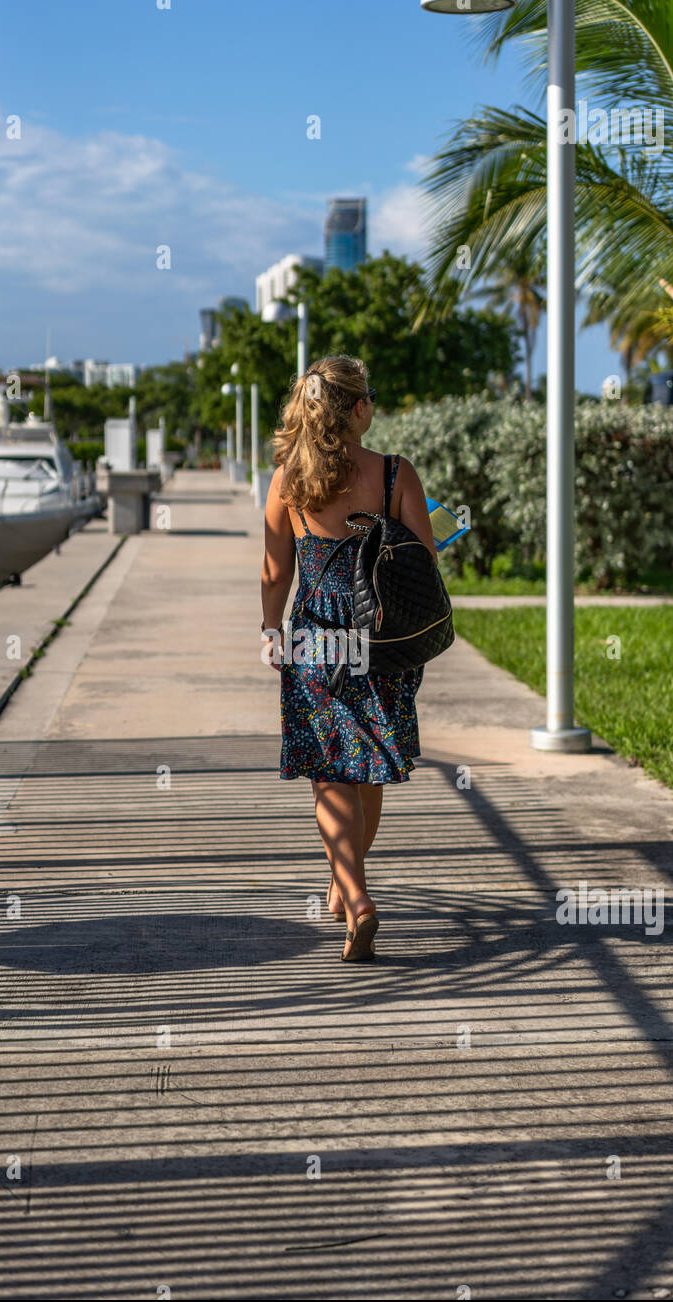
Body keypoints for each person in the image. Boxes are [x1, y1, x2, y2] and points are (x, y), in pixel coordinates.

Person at [260, 355, 438, 963]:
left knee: (330, 767)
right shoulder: (394, 474)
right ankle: (349, 880)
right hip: (381, 637)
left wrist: (269, 628)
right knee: (367, 764)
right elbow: (424, 565)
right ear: (359, 409)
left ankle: (354, 894)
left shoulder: (288, 477)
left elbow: (276, 569)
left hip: (314, 633)